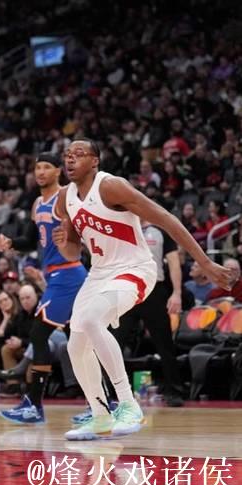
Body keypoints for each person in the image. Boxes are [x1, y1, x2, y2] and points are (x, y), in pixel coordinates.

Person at [52, 139, 235, 441]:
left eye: (78, 154)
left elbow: (166, 219)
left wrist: (205, 263)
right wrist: (63, 244)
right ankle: (100, 416)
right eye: (67, 155)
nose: (70, 160)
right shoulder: (64, 198)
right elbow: (72, 252)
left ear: (95, 161)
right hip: (99, 273)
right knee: (76, 344)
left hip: (134, 268)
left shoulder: (111, 187)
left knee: (93, 320)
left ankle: (129, 405)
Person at [0, 154, 87, 424]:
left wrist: (72, 238)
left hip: (68, 274)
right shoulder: (37, 203)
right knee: (79, 341)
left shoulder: (66, 196)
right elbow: (30, 240)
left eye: (47, 167)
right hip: (57, 275)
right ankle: (103, 402)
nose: (41, 172)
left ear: (58, 171)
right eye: (37, 167)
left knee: (39, 333)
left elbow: (82, 228)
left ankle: (34, 404)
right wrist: (10, 243)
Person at [111, 220, 186, 407]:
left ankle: (174, 390)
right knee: (113, 343)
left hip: (154, 290)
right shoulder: (119, 227)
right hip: (126, 290)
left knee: (165, 344)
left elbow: (174, 262)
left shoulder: (161, 230)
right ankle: (109, 393)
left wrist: (176, 293)